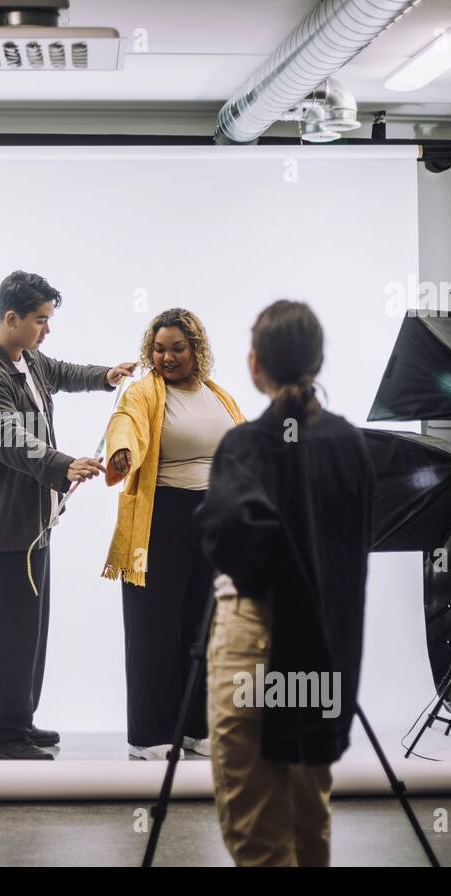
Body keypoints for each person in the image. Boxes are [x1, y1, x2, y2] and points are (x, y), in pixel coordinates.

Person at [195, 300, 374, 866]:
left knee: (258, 835)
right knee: (308, 820)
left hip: (257, 640)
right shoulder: (351, 444)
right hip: (322, 645)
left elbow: (232, 546)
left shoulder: (245, 446)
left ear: (255, 365)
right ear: (317, 361)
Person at [0, 270, 135, 760]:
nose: (46, 330)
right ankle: (1, 737)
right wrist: (65, 466)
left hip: (33, 525)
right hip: (0, 530)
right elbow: (8, 441)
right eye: (40, 320)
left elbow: (62, 372)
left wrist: (106, 377)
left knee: (29, 630)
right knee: (4, 636)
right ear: (10, 318)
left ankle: (21, 720)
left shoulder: (27, 357)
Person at [101, 308, 245, 760]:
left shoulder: (218, 395)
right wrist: (122, 452)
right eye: (159, 349)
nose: (167, 357)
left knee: (206, 626)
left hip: (215, 519)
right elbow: (124, 422)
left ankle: (196, 728)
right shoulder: (145, 393)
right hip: (161, 519)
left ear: (196, 349)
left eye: (177, 348)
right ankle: (150, 735)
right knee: (154, 627)